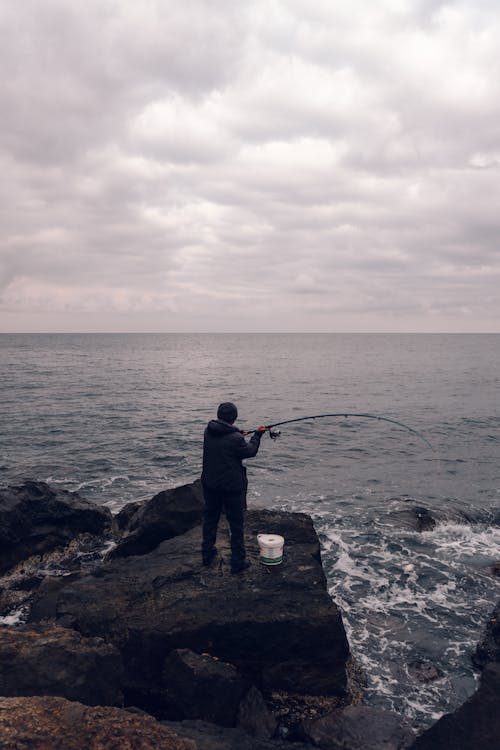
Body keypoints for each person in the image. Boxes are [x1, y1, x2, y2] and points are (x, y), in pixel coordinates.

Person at [201, 402, 266, 574]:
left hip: (210, 484)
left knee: (210, 520)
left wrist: (238, 432)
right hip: (231, 488)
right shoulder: (235, 439)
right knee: (236, 524)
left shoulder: (209, 431)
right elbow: (250, 451)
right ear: (234, 417)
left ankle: (207, 554)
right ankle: (238, 562)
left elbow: (227, 438)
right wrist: (257, 435)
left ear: (219, 415)